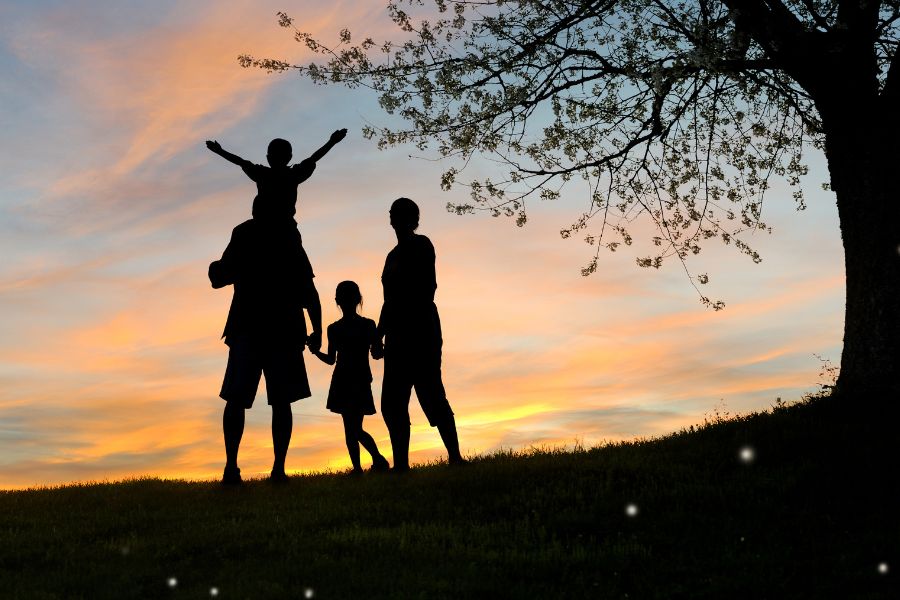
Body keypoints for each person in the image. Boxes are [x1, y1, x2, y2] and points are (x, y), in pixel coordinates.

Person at [209, 219, 323, 485]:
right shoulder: (287, 233)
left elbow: (219, 277)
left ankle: (233, 467)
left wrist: (215, 268)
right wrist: (317, 329)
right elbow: (308, 288)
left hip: (250, 327)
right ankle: (276, 469)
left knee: (238, 398)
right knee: (279, 401)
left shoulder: (247, 232)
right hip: (281, 328)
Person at [373, 197, 466, 471]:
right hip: (397, 334)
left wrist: (399, 319)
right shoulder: (391, 256)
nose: (394, 218)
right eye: (393, 213)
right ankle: (401, 464)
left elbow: (426, 288)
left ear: (412, 219)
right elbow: (388, 301)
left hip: (421, 329)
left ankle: (455, 457)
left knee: (431, 393)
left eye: (399, 214)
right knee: (393, 403)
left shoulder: (422, 245)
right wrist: (379, 335)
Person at [205, 129, 347, 281]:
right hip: (279, 226)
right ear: (289, 157)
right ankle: (226, 271)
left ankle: (224, 270)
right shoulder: (290, 174)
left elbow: (240, 162)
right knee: (297, 258)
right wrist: (332, 142)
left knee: (240, 232)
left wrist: (220, 151)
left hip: (272, 226)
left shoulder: (266, 173)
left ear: (269, 157)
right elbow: (313, 158)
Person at [311, 281, 390, 474]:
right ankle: (368, 464)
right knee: (354, 428)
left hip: (346, 380)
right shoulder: (367, 325)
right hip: (356, 379)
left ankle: (370, 463)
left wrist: (315, 352)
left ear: (337, 301)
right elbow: (377, 353)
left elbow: (330, 360)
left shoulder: (334, 328)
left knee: (351, 428)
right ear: (358, 299)